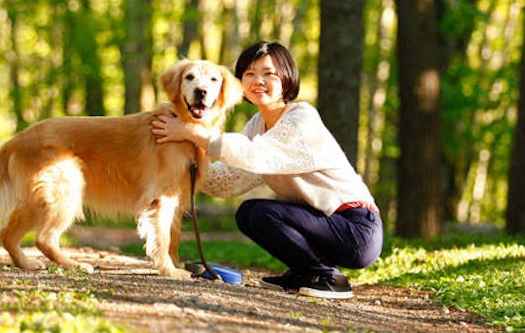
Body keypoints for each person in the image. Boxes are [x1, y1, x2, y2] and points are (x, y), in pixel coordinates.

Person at [152, 41, 383, 299]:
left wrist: (194, 134)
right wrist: (183, 158)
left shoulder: (302, 118)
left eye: (268, 73)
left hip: (357, 229)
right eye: (249, 74)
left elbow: (256, 155)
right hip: (320, 224)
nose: (257, 80)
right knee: (250, 213)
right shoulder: (257, 125)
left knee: (260, 213)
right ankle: (306, 273)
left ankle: (325, 276)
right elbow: (227, 182)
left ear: (286, 77)